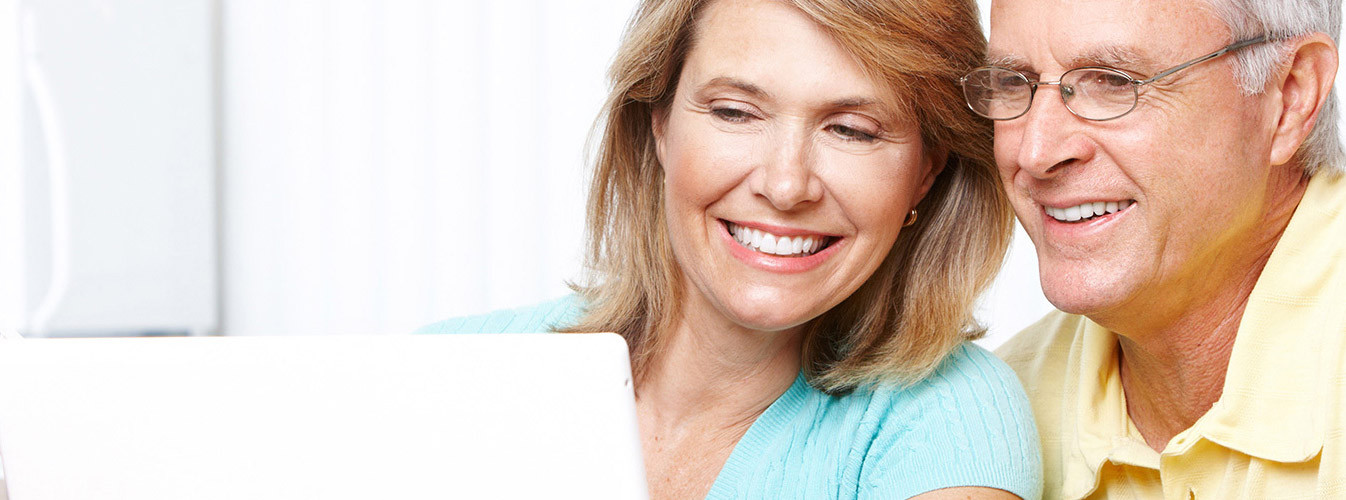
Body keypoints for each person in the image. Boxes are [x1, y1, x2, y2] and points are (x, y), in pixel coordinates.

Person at [422, 0, 1042, 498]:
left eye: (851, 129)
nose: (785, 184)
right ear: (659, 123)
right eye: (736, 112)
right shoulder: (441, 374)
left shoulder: (951, 422)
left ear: (927, 170)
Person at [971, 0, 1346, 497]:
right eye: (1014, 82)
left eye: (1113, 81)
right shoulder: (991, 425)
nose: (1035, 153)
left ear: (1289, 96)